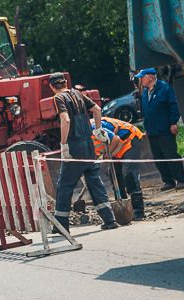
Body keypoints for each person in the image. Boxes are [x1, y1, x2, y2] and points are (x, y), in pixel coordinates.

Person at [51, 72, 118, 232]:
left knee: (65, 185)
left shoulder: (58, 98)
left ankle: (61, 226)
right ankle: (109, 219)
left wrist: (64, 143)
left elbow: (65, 120)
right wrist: (98, 129)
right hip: (89, 146)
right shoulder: (78, 94)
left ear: (52, 86)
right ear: (66, 83)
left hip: (74, 147)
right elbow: (97, 109)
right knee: (94, 181)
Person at [135, 68, 184, 191]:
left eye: (142, 77)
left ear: (150, 77)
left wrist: (173, 122)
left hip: (164, 128)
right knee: (158, 157)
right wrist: (146, 128)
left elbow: (173, 105)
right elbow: (146, 112)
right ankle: (168, 181)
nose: (140, 80)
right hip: (152, 130)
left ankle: (181, 180)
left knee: (170, 154)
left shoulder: (164, 88)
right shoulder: (144, 92)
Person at [91, 117, 146, 220]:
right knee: (114, 175)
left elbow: (117, 140)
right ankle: (123, 205)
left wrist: (108, 154)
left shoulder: (93, 127)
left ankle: (138, 211)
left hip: (129, 139)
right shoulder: (82, 136)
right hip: (116, 147)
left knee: (129, 174)